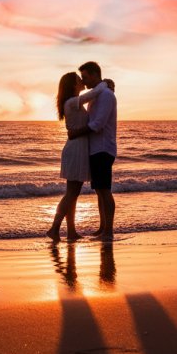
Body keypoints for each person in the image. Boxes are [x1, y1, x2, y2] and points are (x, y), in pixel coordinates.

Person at [47, 72, 112, 242]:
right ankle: (54, 228)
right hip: (75, 150)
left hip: (78, 149)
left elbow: (91, 99)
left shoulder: (74, 103)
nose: (82, 81)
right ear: (72, 86)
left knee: (73, 194)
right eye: (78, 80)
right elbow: (92, 94)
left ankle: (71, 232)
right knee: (71, 194)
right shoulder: (71, 103)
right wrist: (104, 84)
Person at [68, 61, 117, 241]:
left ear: (96, 75)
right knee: (99, 190)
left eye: (86, 77)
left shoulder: (105, 95)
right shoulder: (98, 94)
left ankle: (108, 231)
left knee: (104, 190)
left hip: (103, 148)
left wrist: (75, 133)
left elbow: (97, 124)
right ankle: (102, 228)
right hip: (96, 149)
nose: (84, 81)